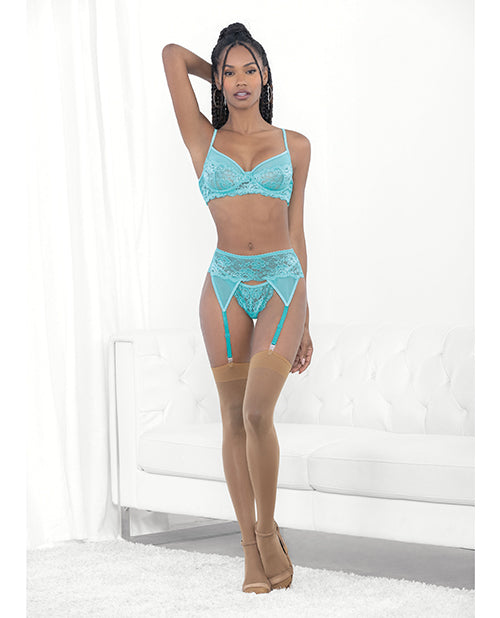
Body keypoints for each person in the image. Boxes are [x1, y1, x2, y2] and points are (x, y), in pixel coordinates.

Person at [162, 22, 313, 594]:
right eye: (230, 72)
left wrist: (305, 318)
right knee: (230, 418)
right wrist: (215, 75)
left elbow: (297, 231)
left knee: (255, 413)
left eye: (250, 69)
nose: (241, 79)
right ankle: (249, 549)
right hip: (223, 286)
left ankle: (268, 531)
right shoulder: (203, 139)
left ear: (266, 75)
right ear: (220, 81)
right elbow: (172, 55)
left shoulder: (295, 145)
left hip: (281, 284)